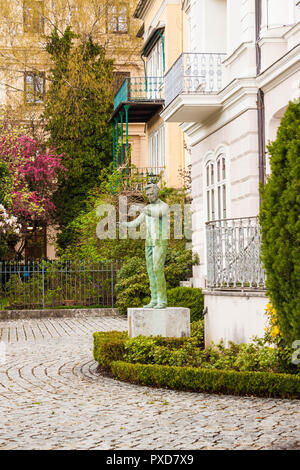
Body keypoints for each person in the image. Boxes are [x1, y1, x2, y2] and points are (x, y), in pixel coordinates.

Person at [121, 183, 169, 309]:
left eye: (151, 194)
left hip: (160, 242)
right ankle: (154, 299)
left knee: (157, 269)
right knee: (150, 271)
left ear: (157, 192)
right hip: (149, 243)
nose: (149, 196)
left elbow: (156, 213)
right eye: (147, 194)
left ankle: (162, 300)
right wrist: (124, 224)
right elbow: (136, 222)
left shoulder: (163, 206)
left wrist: (141, 208)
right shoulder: (147, 208)